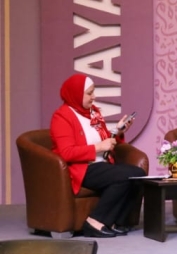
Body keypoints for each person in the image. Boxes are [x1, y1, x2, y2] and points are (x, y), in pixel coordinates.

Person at [49, 73, 144, 237]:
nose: (94, 97)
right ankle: (94, 222)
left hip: (101, 164)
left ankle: (116, 221)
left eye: (93, 92)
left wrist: (118, 131)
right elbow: (66, 152)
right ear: (76, 94)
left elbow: (105, 139)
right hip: (83, 168)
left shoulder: (93, 112)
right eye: (89, 93)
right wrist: (98, 147)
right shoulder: (62, 117)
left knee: (138, 174)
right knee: (123, 177)